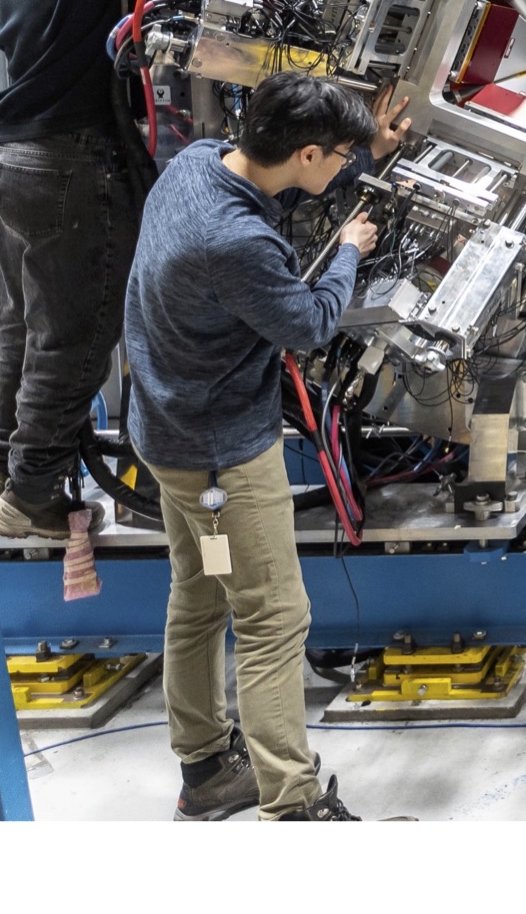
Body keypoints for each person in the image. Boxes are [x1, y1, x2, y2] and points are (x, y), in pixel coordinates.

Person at [0, 0, 331, 540]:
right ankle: (29, 496)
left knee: (22, 325)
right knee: (77, 335)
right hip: (65, 164)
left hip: (2, 158)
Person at [125, 72, 410, 822]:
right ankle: (292, 801)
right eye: (338, 156)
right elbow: (312, 322)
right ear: (305, 152)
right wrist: (349, 248)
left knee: (200, 595)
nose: (344, 165)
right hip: (221, 460)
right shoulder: (238, 243)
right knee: (272, 617)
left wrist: (364, 154)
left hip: (164, 432)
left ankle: (206, 768)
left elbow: (288, 188)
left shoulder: (198, 163)